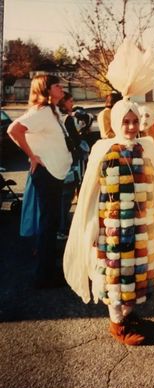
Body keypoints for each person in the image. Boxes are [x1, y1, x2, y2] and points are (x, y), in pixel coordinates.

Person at [63, 95, 154, 345]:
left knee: (137, 275)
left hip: (142, 226)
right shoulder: (102, 149)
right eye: (125, 121)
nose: (130, 127)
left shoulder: (147, 147)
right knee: (114, 276)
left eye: (134, 121)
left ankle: (128, 315)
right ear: (116, 122)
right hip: (112, 228)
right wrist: (92, 227)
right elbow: (91, 194)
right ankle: (118, 325)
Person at [7, 74, 72, 288]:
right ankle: (43, 277)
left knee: (50, 224)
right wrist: (32, 155)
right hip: (47, 175)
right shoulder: (42, 112)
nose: (61, 88)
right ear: (46, 90)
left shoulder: (51, 111)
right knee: (48, 224)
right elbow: (14, 130)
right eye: (56, 85)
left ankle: (48, 270)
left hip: (54, 173)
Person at [57, 92, 88, 240]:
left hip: (59, 161)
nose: (72, 103)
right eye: (70, 101)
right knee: (67, 195)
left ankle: (61, 226)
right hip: (70, 162)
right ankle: (62, 228)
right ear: (64, 103)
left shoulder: (57, 117)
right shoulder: (68, 119)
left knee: (62, 196)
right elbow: (75, 140)